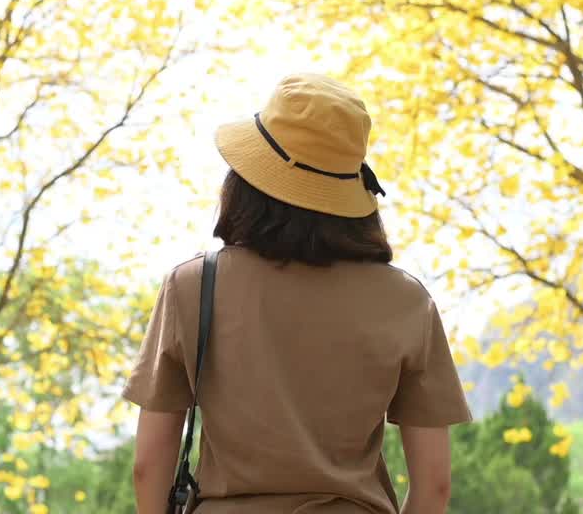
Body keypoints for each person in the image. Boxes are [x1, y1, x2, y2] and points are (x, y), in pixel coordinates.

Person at [124, 73, 472, 514]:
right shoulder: (407, 301)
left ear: (246, 180)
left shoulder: (193, 285)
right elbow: (434, 486)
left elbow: (147, 466)